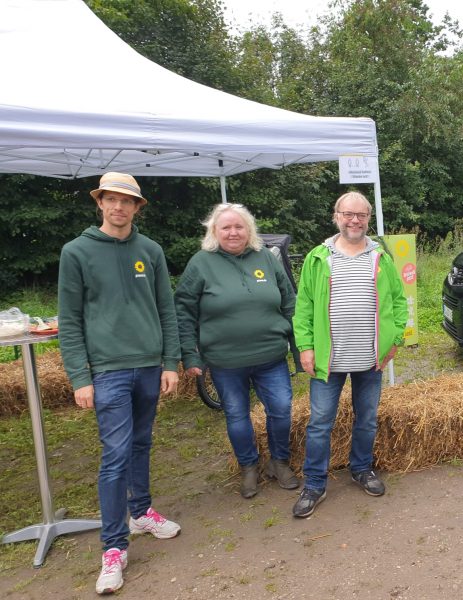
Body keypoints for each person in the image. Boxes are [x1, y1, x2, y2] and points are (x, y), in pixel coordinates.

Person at [58, 172, 181, 595]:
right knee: (115, 454)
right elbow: (69, 320)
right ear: (100, 204)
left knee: (142, 443)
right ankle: (113, 547)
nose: (118, 207)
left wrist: (170, 362)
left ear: (137, 207)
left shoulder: (151, 250)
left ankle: (142, 511)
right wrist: (79, 376)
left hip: (150, 367)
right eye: (111, 199)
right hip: (107, 371)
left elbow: (166, 309)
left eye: (127, 201)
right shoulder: (77, 252)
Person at [291, 191, 408, 518]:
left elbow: (398, 303)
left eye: (361, 215)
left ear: (368, 219)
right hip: (329, 359)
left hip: (371, 358)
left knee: (367, 419)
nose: (354, 220)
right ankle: (314, 484)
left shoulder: (380, 258)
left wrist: (395, 338)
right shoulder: (318, 257)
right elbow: (303, 307)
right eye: (347, 214)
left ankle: (361, 469)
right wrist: (305, 346)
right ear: (336, 216)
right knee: (320, 423)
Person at [174, 203, 298, 499]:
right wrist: (190, 356)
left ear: (249, 230)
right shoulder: (201, 263)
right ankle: (249, 466)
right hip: (225, 361)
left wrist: (300, 348)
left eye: (239, 226)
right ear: (214, 231)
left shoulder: (267, 259)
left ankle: (279, 462)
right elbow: (183, 311)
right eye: (226, 227)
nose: (233, 232)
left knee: (281, 409)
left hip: (271, 356)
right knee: (236, 414)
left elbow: (289, 302)